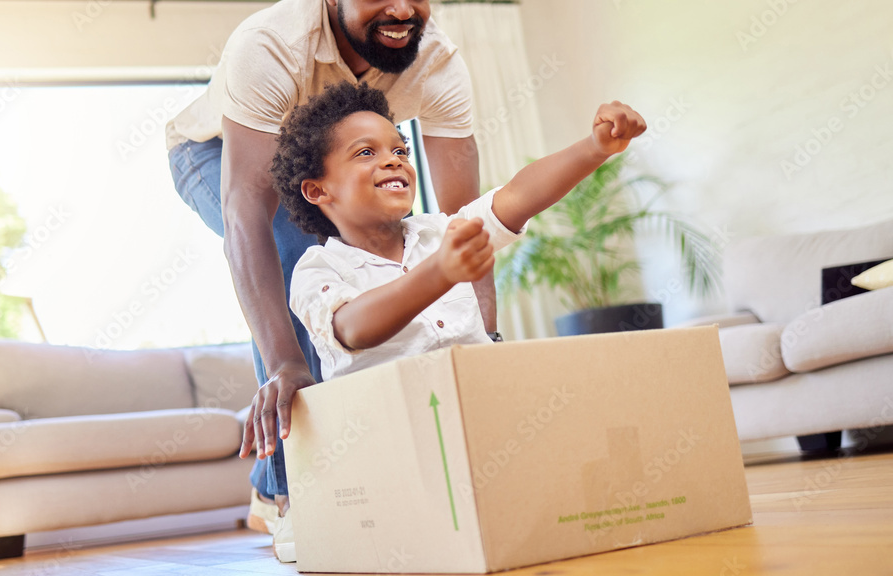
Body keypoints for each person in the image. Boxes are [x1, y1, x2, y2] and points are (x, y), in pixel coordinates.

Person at [165, 0, 492, 559]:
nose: (402, 8)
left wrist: (484, 337)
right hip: (213, 156)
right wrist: (286, 362)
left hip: (334, 165)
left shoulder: (439, 65)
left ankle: (377, 477)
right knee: (306, 265)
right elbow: (245, 213)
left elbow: (462, 226)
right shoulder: (268, 46)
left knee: (401, 270)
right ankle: (286, 493)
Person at [271, 82, 647, 380]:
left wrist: (594, 148)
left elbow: (516, 196)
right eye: (365, 153)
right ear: (317, 190)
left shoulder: (440, 230)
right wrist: (439, 272)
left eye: (401, 151)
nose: (393, 160)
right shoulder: (317, 268)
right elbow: (354, 327)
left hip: (484, 403)